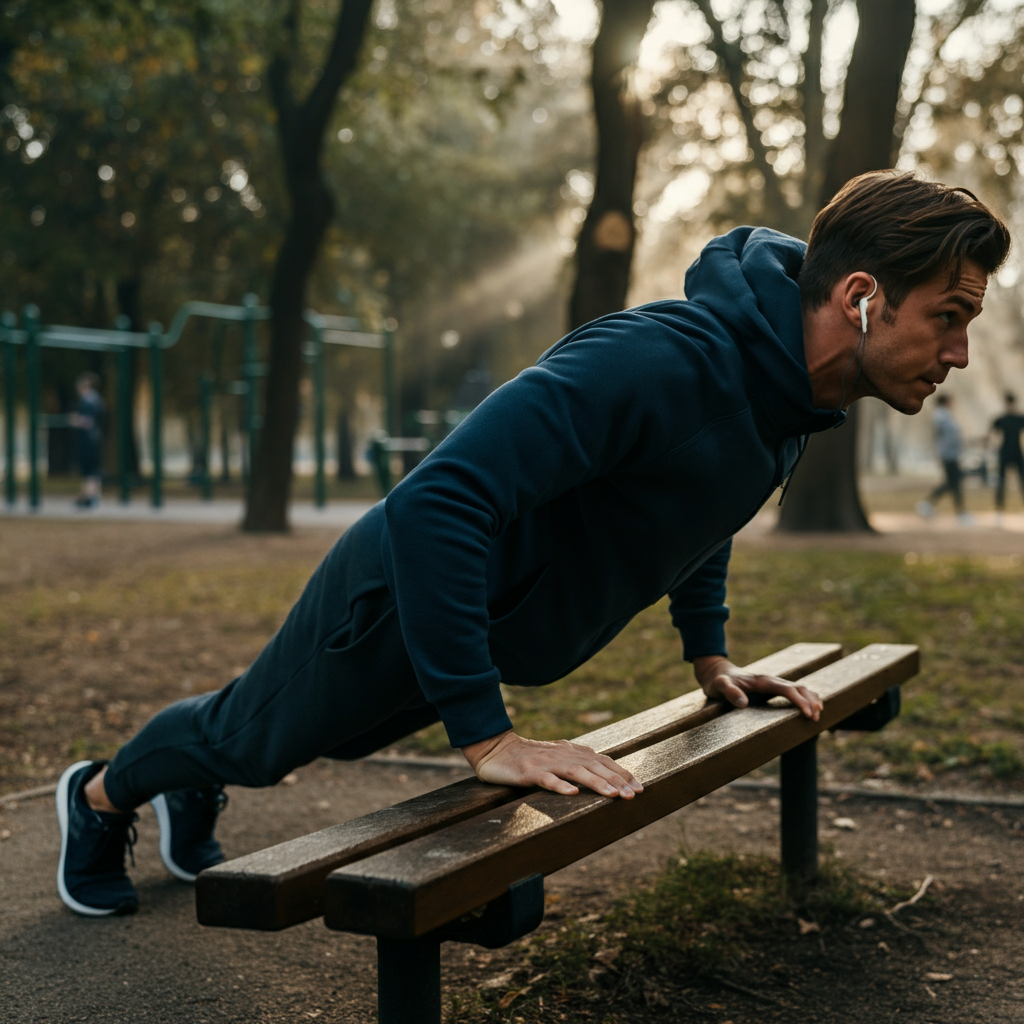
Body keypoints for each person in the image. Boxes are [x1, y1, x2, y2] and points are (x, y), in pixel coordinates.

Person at [55, 171, 1010, 917]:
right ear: (860, 297)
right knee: (254, 741)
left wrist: (709, 652)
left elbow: (702, 509)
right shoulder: (656, 360)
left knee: (302, 739)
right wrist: (487, 737)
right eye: (949, 318)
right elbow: (438, 502)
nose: (959, 356)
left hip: (478, 621)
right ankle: (98, 797)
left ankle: (193, 780)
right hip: (400, 595)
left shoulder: (791, 404)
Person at [915, 393, 972, 523]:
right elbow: (947, 435)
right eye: (950, 401)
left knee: (952, 483)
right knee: (954, 482)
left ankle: (928, 504)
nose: (952, 404)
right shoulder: (940, 416)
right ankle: (960, 513)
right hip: (948, 454)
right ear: (945, 402)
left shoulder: (946, 415)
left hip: (952, 453)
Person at [69, 371, 104, 509]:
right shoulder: (98, 400)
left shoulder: (88, 402)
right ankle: (90, 495)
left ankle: (89, 497)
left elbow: (88, 422)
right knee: (93, 469)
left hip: (88, 439)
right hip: (95, 437)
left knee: (88, 469)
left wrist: (75, 420)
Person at [990, 391, 1024, 520]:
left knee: (1022, 481)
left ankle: (1001, 511)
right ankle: (999, 510)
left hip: (1015, 452)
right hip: (1005, 452)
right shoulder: (1001, 419)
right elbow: (993, 434)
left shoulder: (1018, 418)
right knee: (1001, 482)